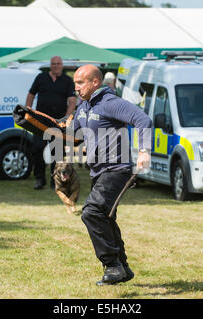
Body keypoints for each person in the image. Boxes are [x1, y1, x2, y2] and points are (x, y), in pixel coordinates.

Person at [72, 64, 152, 285]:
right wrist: (34, 123)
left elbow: (143, 120)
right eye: (75, 84)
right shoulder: (84, 107)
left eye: (80, 83)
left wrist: (144, 151)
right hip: (98, 172)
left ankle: (112, 265)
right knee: (106, 217)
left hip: (117, 169)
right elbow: (70, 132)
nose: (76, 88)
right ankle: (123, 268)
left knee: (91, 212)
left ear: (95, 82)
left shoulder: (111, 103)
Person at [25, 56, 76, 190]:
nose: (56, 66)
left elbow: (72, 101)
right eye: (54, 64)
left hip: (57, 123)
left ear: (62, 65)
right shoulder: (41, 77)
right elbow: (30, 94)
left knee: (57, 153)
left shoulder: (67, 81)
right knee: (37, 148)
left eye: (58, 64)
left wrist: (66, 118)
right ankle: (39, 178)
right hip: (40, 122)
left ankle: (55, 181)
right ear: (50, 65)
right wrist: (29, 111)